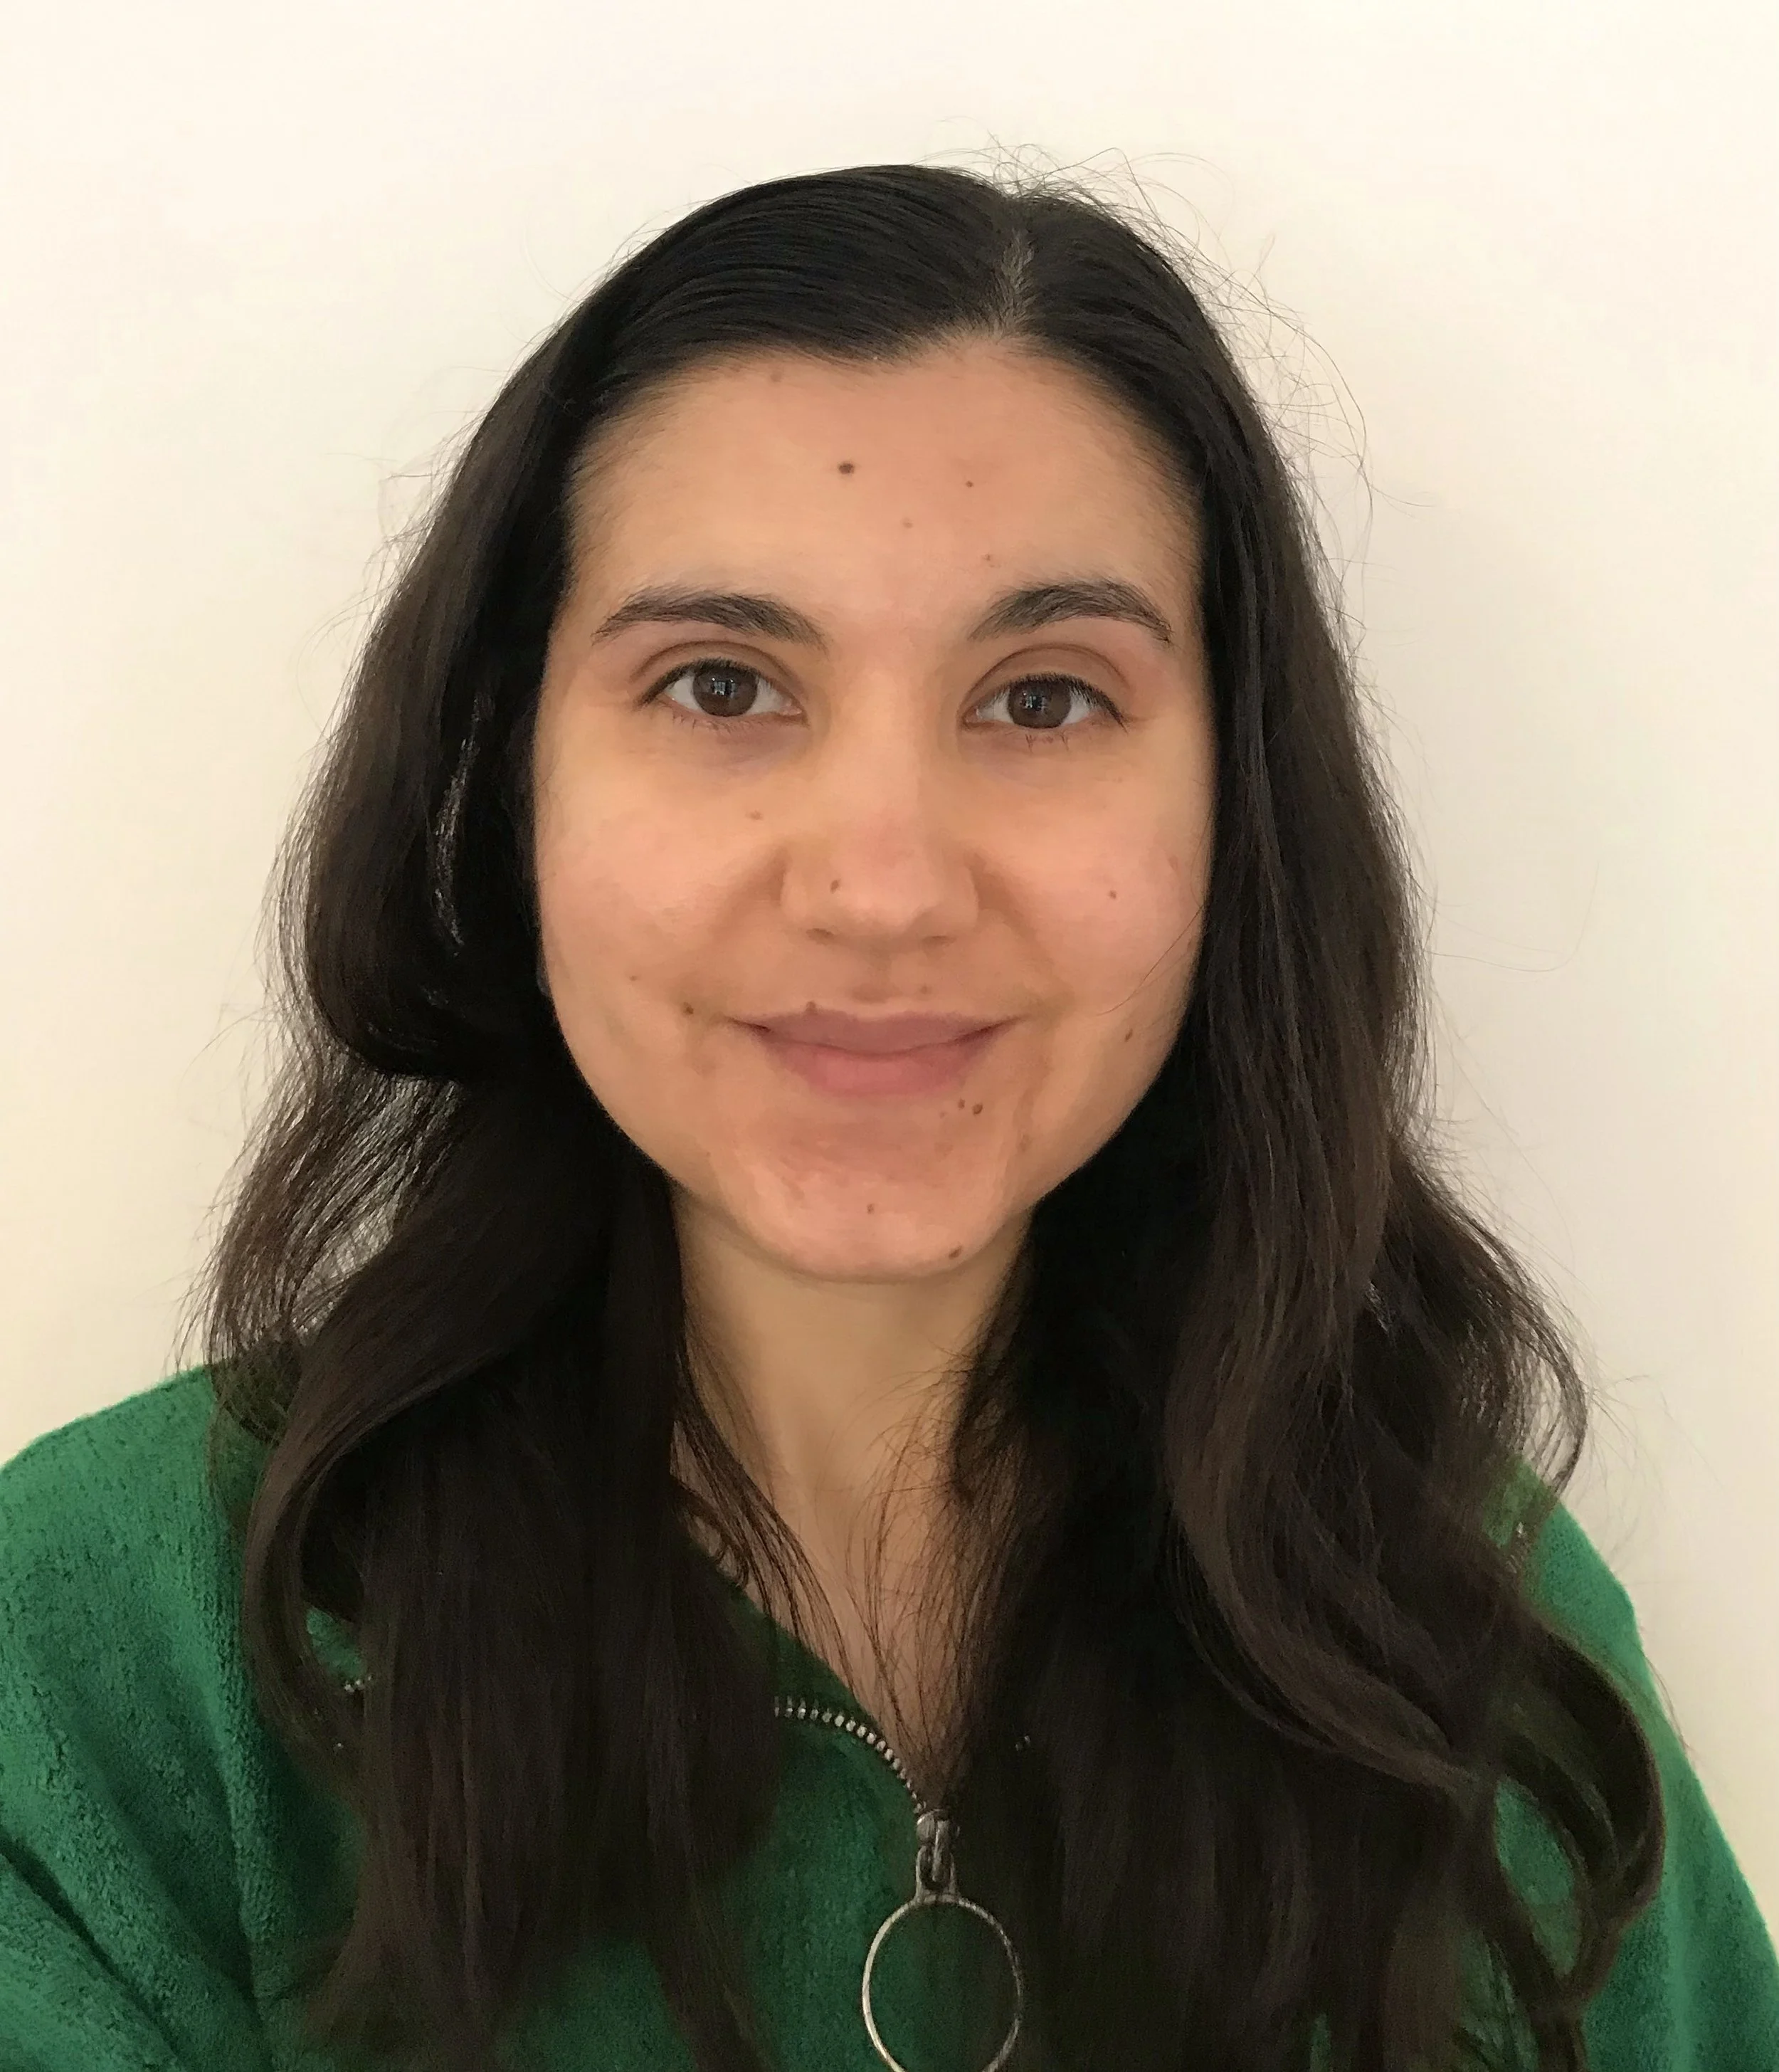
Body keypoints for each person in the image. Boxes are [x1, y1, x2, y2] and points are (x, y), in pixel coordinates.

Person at [1, 160, 1774, 2072]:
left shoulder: (1441, 1616)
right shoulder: (124, 1653)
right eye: (718, 682)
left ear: (1228, 820)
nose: (883, 884)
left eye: (1042, 701)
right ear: (506, 788)